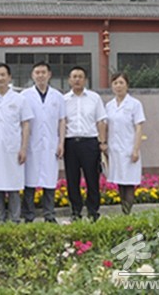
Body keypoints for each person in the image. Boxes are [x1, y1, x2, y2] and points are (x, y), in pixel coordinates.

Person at [0, 63, 33, 224]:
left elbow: (26, 124)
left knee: (13, 184)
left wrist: (24, 148)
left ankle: (15, 219)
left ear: (9, 77)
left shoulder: (19, 99)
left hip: (13, 148)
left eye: (2, 75)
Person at [21, 62, 65, 223]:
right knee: (30, 181)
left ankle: (49, 215)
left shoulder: (58, 96)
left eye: (43, 72)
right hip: (31, 144)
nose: (40, 75)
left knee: (49, 181)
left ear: (49, 75)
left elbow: (62, 120)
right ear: (32, 75)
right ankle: (29, 215)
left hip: (51, 144)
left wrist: (61, 143)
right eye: (37, 72)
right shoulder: (25, 96)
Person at [63, 66, 107, 222]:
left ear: (85, 80)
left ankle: (93, 211)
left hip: (90, 143)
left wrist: (102, 142)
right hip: (70, 143)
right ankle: (75, 211)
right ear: (69, 80)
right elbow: (61, 122)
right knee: (72, 179)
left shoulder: (94, 98)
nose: (77, 79)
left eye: (80, 76)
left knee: (92, 178)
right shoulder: (64, 100)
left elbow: (101, 121)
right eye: (74, 76)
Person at [104, 72, 146, 215]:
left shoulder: (135, 104)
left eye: (121, 83)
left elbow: (139, 128)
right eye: (115, 83)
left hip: (129, 149)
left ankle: (127, 213)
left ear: (127, 85)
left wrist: (136, 150)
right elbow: (106, 126)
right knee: (120, 182)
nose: (118, 86)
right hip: (114, 149)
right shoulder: (109, 105)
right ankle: (124, 211)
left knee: (129, 183)